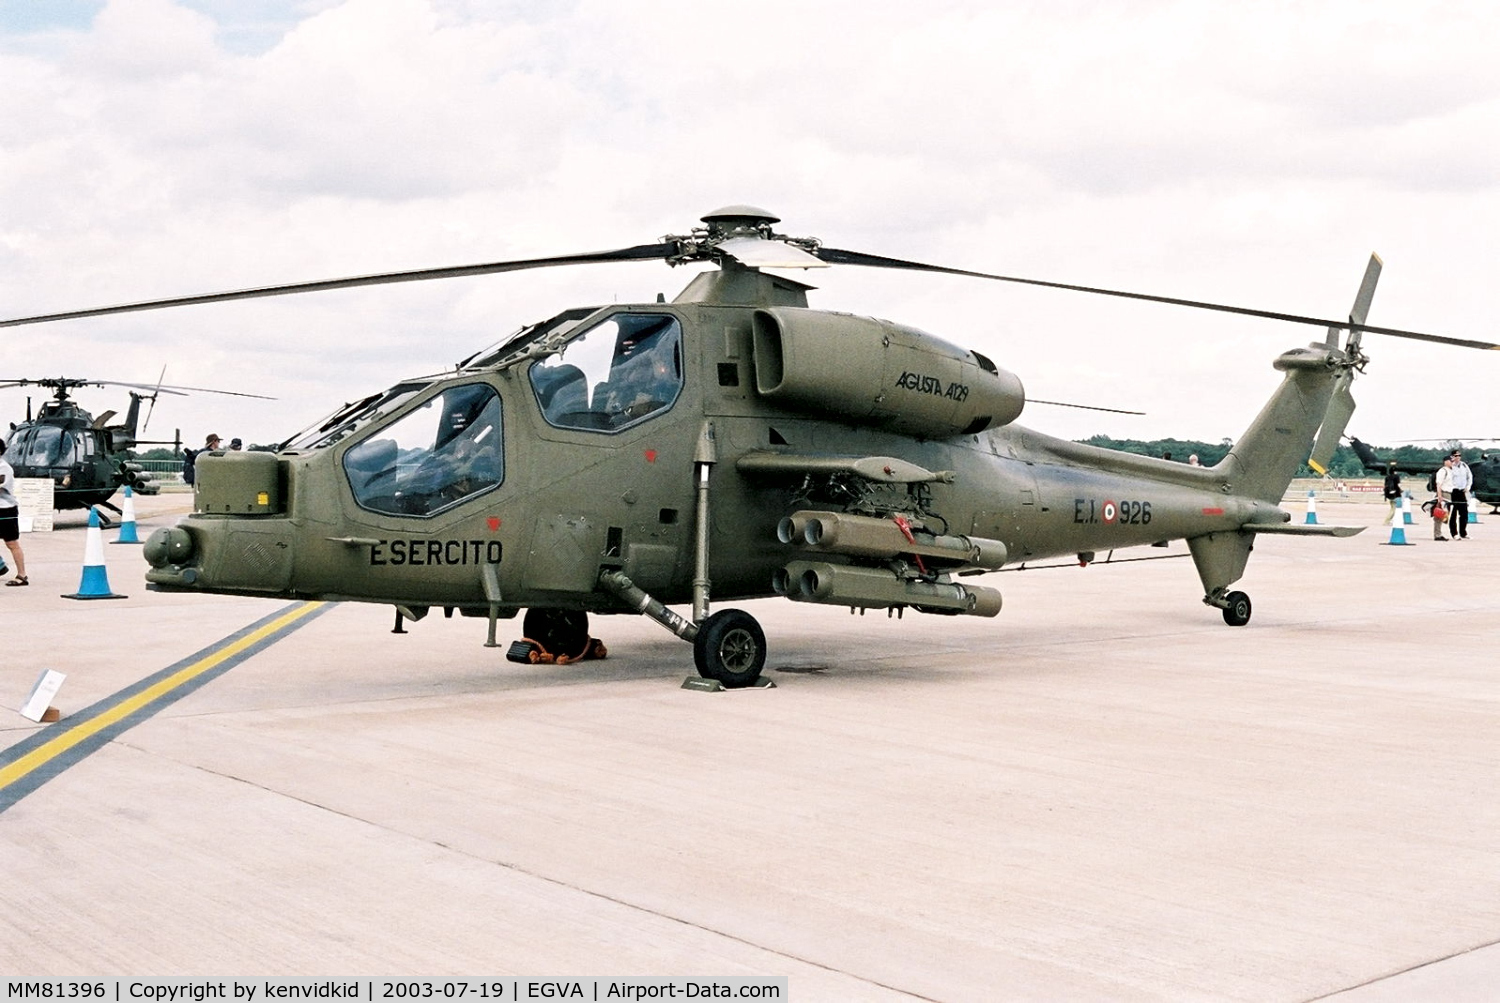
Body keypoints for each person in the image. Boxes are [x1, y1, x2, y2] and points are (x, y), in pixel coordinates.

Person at [0, 439, 29, 586]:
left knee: (11, 543)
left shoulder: (4, 468)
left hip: (5, 509)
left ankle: (22, 575)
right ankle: (0, 566)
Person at [1448, 449, 1473, 540]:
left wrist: (1468, 487)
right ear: (1452, 457)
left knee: (1464, 513)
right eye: (1456, 455)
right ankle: (1454, 533)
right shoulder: (1450, 467)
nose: (1458, 457)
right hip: (1453, 492)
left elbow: (1469, 477)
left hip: (1462, 491)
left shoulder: (1464, 466)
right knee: (1453, 513)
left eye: (1459, 455)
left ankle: (1463, 532)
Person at [1433, 456, 1454, 541]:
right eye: (1450, 460)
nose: (1452, 462)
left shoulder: (1451, 471)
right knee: (1439, 515)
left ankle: (1439, 533)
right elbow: (1439, 484)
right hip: (1443, 493)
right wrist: (1439, 496)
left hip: (1448, 494)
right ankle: (1437, 534)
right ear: (1445, 461)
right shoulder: (1443, 471)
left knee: (1444, 515)